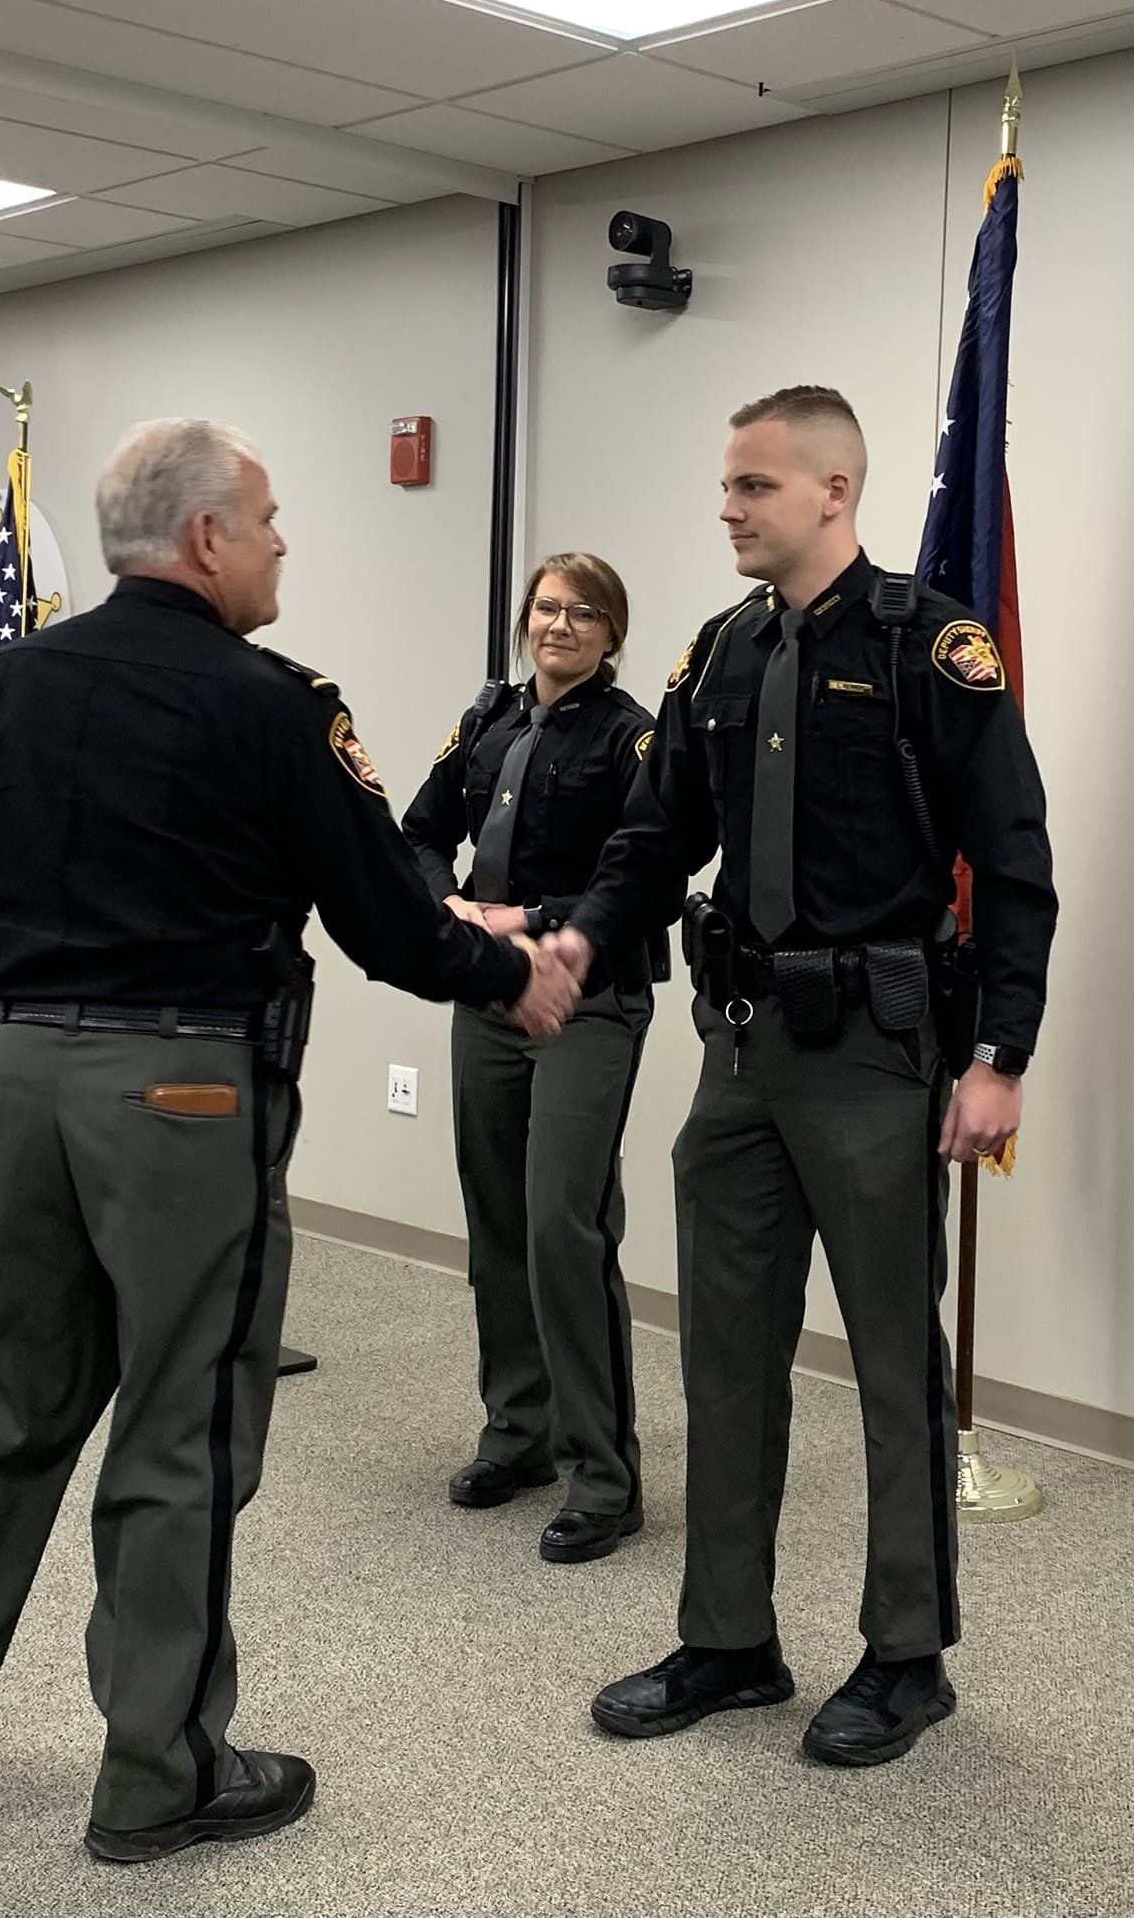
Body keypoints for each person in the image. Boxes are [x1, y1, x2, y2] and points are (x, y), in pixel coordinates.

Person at [0, 418, 576, 1863]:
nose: (284, 539)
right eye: (270, 518)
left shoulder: (5, 686)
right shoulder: (274, 704)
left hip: (22, 1083)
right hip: (184, 1099)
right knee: (185, 1421)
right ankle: (156, 1774)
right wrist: (512, 974)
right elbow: (381, 915)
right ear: (204, 541)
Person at [547, 385, 1057, 1767]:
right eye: (727, 485)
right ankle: (730, 1637)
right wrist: (585, 936)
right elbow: (658, 838)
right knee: (725, 1357)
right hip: (744, 1053)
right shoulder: (717, 655)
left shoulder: (926, 646)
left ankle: (907, 1655)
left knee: (894, 1364)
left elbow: (1014, 862)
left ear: (835, 490)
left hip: (879, 1059)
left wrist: (1001, 1056)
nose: (729, 506)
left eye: (754, 486)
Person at [401, 553, 677, 1561]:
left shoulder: (631, 735)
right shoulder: (488, 722)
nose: (558, 624)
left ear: (611, 632)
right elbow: (421, 832)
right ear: (525, 620)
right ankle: (518, 1433)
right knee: (497, 1218)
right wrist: (449, 905)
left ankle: (604, 1474)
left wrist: (525, 917)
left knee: (564, 1219)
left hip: (589, 999)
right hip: (488, 995)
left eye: (583, 611)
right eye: (546, 607)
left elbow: (644, 870)